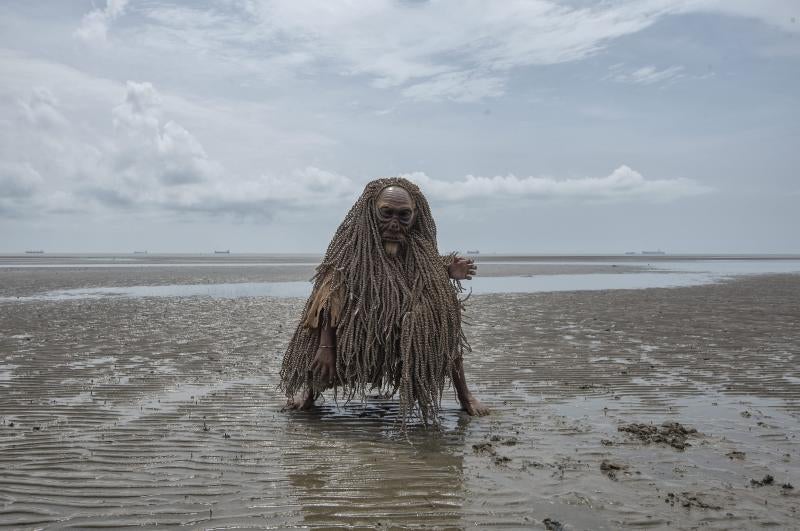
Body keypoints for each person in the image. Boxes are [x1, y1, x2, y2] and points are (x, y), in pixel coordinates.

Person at [279, 177, 488, 426]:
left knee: (444, 309)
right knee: (319, 325)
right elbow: (327, 298)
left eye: (403, 215)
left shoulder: (419, 249)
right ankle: (310, 392)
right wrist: (326, 347)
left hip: (402, 332)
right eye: (386, 213)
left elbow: (428, 272)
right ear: (371, 211)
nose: (394, 224)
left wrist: (447, 272)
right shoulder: (351, 250)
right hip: (358, 331)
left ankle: (465, 395)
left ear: (415, 216)